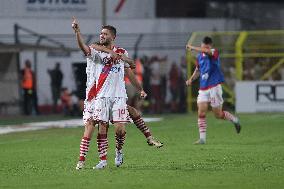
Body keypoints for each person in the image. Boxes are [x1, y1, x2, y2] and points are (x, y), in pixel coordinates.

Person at [72, 17, 163, 170]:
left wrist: (140, 88)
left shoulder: (122, 52)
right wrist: (77, 32)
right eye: (101, 33)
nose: (102, 35)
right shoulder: (96, 51)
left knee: (120, 129)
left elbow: (129, 71)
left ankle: (119, 151)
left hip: (119, 96)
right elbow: (86, 47)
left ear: (113, 37)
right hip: (100, 96)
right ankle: (101, 160)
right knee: (101, 126)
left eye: (105, 34)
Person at [186, 36, 241, 144]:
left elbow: (207, 52)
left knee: (218, 114)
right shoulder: (199, 57)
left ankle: (234, 120)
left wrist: (192, 47)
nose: (205, 48)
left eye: (207, 47)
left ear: (210, 46)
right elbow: (198, 70)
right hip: (203, 88)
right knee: (201, 112)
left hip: (214, 87)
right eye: (204, 46)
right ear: (202, 44)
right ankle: (202, 139)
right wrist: (191, 79)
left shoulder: (214, 52)